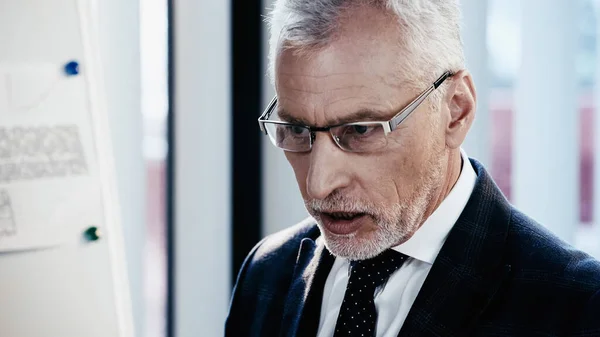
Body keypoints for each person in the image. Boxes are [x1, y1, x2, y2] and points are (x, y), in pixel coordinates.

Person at [225, 1, 600, 336]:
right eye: (295, 130)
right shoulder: (266, 272)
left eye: (360, 130)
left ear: (456, 110)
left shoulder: (579, 308)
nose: (319, 185)